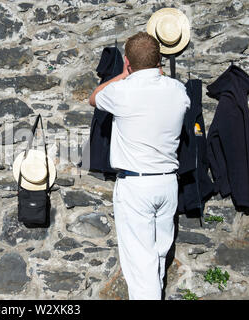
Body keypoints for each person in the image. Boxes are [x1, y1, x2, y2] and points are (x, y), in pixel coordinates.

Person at [89, 31, 190, 300]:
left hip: (136, 185)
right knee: (157, 257)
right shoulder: (178, 91)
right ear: (159, 60)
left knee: (139, 265)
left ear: (127, 62)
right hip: (168, 182)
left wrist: (125, 74)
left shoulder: (122, 91)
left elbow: (93, 98)